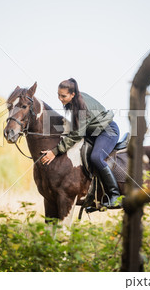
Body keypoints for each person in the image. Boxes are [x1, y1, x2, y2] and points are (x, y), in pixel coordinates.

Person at [41, 78, 121, 208]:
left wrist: (55, 152)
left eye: (63, 96)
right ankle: (92, 196)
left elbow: (78, 133)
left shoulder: (81, 106)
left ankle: (115, 195)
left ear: (72, 94)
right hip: (93, 132)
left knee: (96, 157)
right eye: (58, 95)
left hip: (107, 131)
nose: (60, 99)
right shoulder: (73, 100)